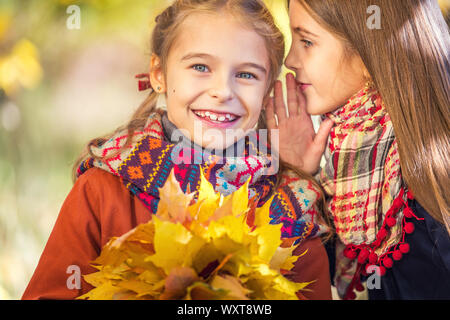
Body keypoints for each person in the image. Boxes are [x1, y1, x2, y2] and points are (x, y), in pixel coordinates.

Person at [22, 0, 334, 300]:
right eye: (200, 66)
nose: (222, 91)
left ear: (267, 88)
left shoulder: (290, 207)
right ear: (159, 74)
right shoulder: (104, 189)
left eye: (246, 74)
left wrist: (295, 172)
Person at [267, 0, 450, 299]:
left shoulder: (423, 188)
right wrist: (299, 175)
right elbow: (308, 269)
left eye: (307, 41)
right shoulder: (350, 160)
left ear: (367, 56)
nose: (290, 60)